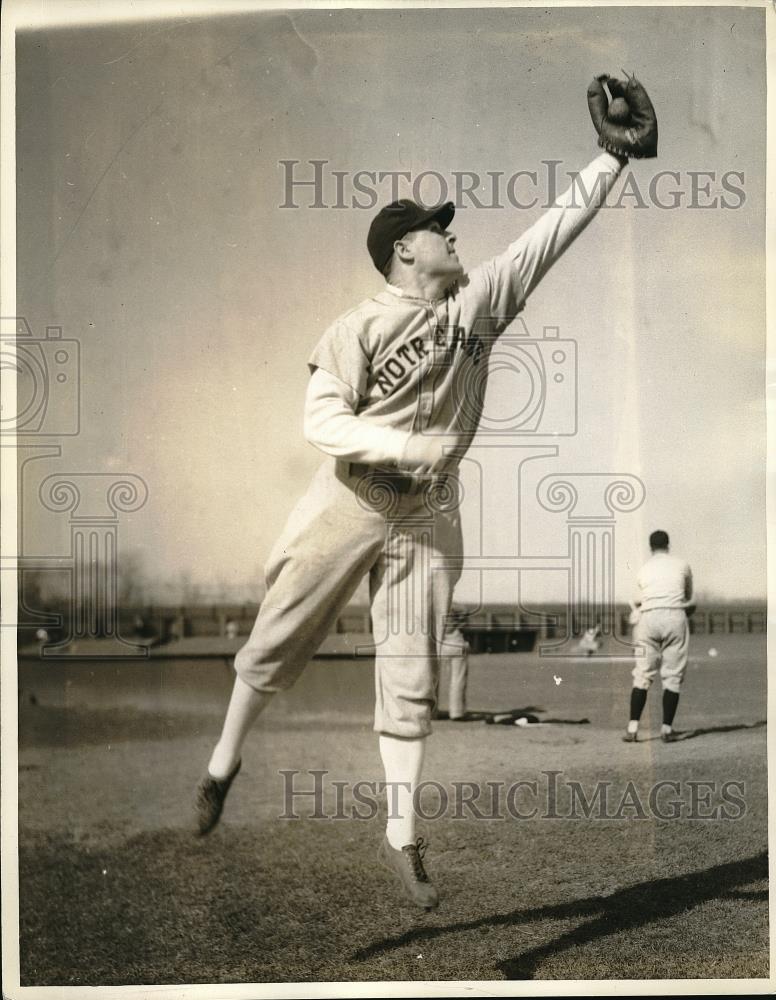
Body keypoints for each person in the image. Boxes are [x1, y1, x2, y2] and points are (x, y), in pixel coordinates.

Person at [193, 76, 657, 909]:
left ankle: (401, 836)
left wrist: (611, 158)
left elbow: (550, 234)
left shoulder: (478, 302)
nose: (452, 234)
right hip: (350, 495)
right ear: (405, 250)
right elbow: (322, 421)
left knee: (411, 674)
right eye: (439, 229)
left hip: (429, 511)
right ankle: (223, 763)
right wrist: (408, 442)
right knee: (276, 637)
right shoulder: (358, 325)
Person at [623, 530, 694, 744]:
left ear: (650, 547)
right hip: (674, 615)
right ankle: (666, 729)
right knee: (672, 676)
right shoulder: (682, 565)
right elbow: (688, 597)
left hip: (648, 617)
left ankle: (632, 729)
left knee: (642, 675)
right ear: (668, 545)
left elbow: (637, 600)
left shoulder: (644, 569)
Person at [438, 621, 470, 720]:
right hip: (457, 642)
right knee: (458, 680)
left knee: (433, 679)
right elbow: (465, 627)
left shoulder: (434, 610)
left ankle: (432, 711)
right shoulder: (460, 611)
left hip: (440, 644)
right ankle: (457, 712)